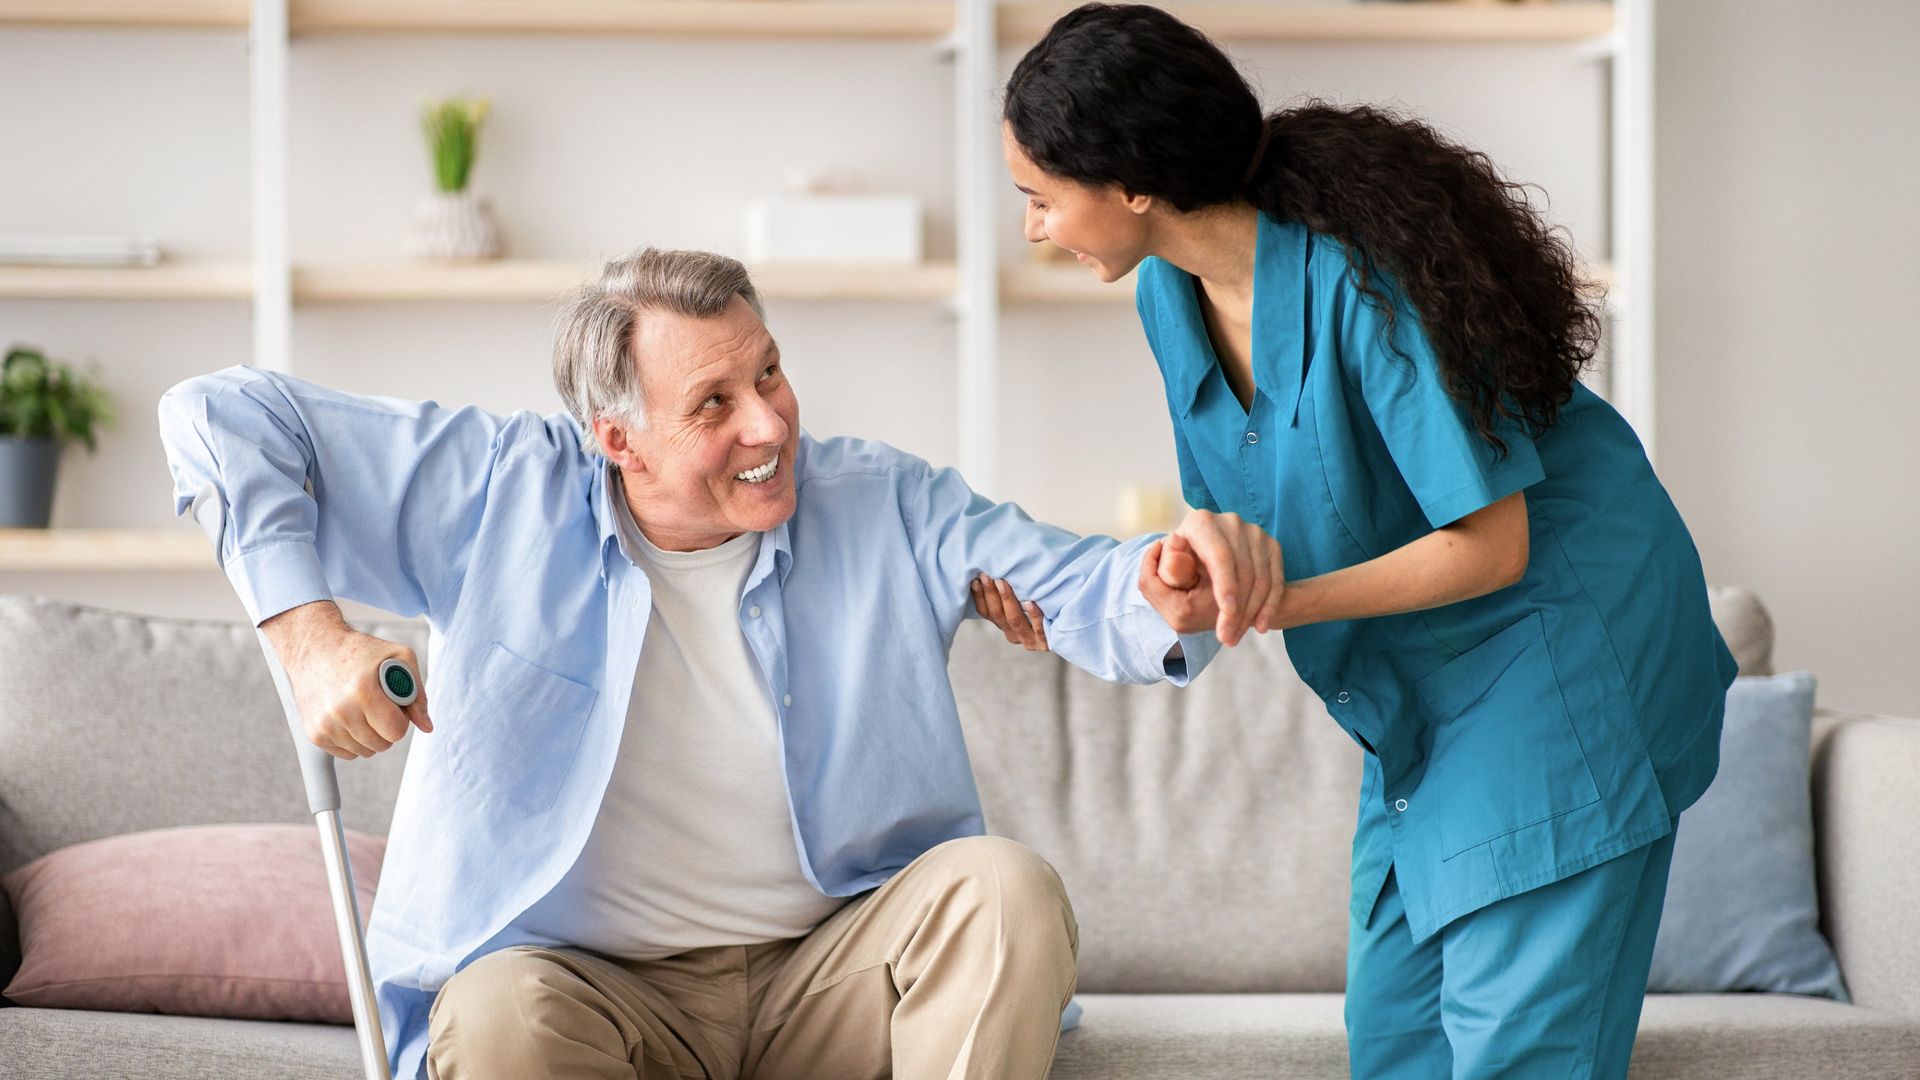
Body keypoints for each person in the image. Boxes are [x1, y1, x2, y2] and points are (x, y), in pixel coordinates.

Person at [158, 247, 1283, 1080]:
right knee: (498, 1015)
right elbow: (217, 415)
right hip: (591, 994)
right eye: (714, 403)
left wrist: (1157, 588)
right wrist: (308, 639)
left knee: (1004, 891)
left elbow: (1080, 583)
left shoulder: (881, 500)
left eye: (771, 375)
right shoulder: (498, 491)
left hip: (831, 972)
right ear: (617, 439)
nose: (769, 424)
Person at [986, 5, 1740, 1077]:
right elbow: (1245, 519)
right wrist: (1178, 574)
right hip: (1420, 700)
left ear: (1134, 184)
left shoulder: (1359, 286)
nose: (1034, 227)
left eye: (1039, 198)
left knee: (1517, 1054)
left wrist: (1272, 602)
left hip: (1562, 661)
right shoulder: (1169, 291)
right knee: (1392, 1045)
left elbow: (1491, 544)